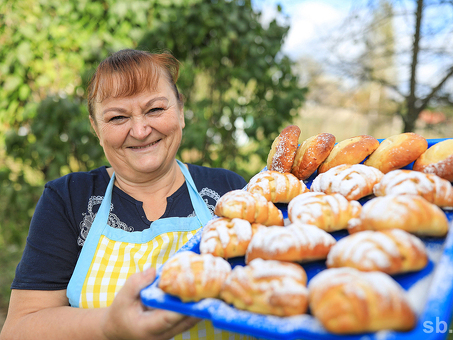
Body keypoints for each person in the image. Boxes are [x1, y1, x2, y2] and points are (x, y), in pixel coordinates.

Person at [0, 49, 251, 340]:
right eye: (118, 117)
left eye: (155, 109)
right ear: (96, 128)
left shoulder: (227, 190)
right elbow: (18, 330)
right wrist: (109, 326)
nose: (141, 130)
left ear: (180, 112)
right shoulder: (69, 199)